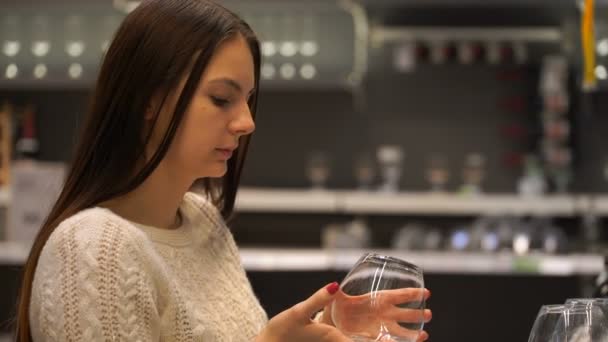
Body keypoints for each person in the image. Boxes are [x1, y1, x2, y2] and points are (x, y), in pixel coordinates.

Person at [13, 0, 432, 341]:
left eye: (248, 99)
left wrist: (325, 332)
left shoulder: (201, 221)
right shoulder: (92, 250)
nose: (246, 122)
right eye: (220, 99)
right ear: (148, 101)